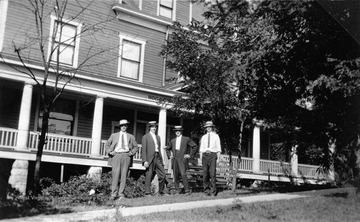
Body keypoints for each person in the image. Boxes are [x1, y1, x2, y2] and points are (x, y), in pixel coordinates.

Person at [105, 119, 138, 200]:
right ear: (120, 126)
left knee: (124, 175)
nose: (124, 127)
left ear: (127, 126)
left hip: (126, 156)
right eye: (122, 125)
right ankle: (113, 194)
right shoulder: (114, 135)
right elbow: (107, 144)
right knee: (115, 175)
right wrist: (110, 152)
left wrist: (131, 153)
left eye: (125, 125)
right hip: (116, 155)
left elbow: (136, 147)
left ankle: (121, 194)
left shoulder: (131, 136)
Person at [166, 126, 198, 195]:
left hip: (182, 158)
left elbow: (194, 146)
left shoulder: (186, 139)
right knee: (175, 175)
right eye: (176, 131)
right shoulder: (173, 140)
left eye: (179, 131)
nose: (177, 132)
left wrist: (190, 155)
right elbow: (167, 148)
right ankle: (177, 190)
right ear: (175, 132)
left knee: (183, 174)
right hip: (175, 158)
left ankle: (187, 190)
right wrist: (169, 155)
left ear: (181, 131)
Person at [141, 121, 168, 197]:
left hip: (157, 157)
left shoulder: (158, 137)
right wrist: (144, 160)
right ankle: (147, 192)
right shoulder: (145, 137)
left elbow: (159, 149)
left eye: (155, 127)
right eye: (152, 127)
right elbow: (144, 150)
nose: (154, 128)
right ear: (149, 127)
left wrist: (162, 160)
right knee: (149, 175)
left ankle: (161, 192)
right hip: (149, 158)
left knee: (162, 175)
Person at [199, 121, 221, 196]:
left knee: (212, 174)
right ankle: (206, 191)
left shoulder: (216, 136)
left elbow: (218, 148)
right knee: (205, 174)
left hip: (212, 155)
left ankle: (213, 192)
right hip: (205, 155)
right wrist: (200, 158)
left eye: (210, 127)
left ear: (212, 128)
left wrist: (218, 158)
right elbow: (201, 149)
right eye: (207, 127)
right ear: (206, 128)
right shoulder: (203, 137)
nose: (208, 128)